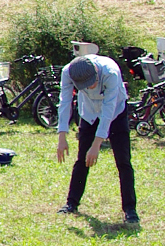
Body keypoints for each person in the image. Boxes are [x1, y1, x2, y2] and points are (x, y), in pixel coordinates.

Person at [56, 53, 136, 223]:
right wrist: (62, 135)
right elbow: (65, 101)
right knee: (81, 160)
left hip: (116, 113)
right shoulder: (68, 72)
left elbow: (108, 110)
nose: (90, 87)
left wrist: (97, 144)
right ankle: (71, 203)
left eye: (91, 82)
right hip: (89, 113)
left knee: (123, 161)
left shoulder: (110, 73)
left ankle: (130, 209)